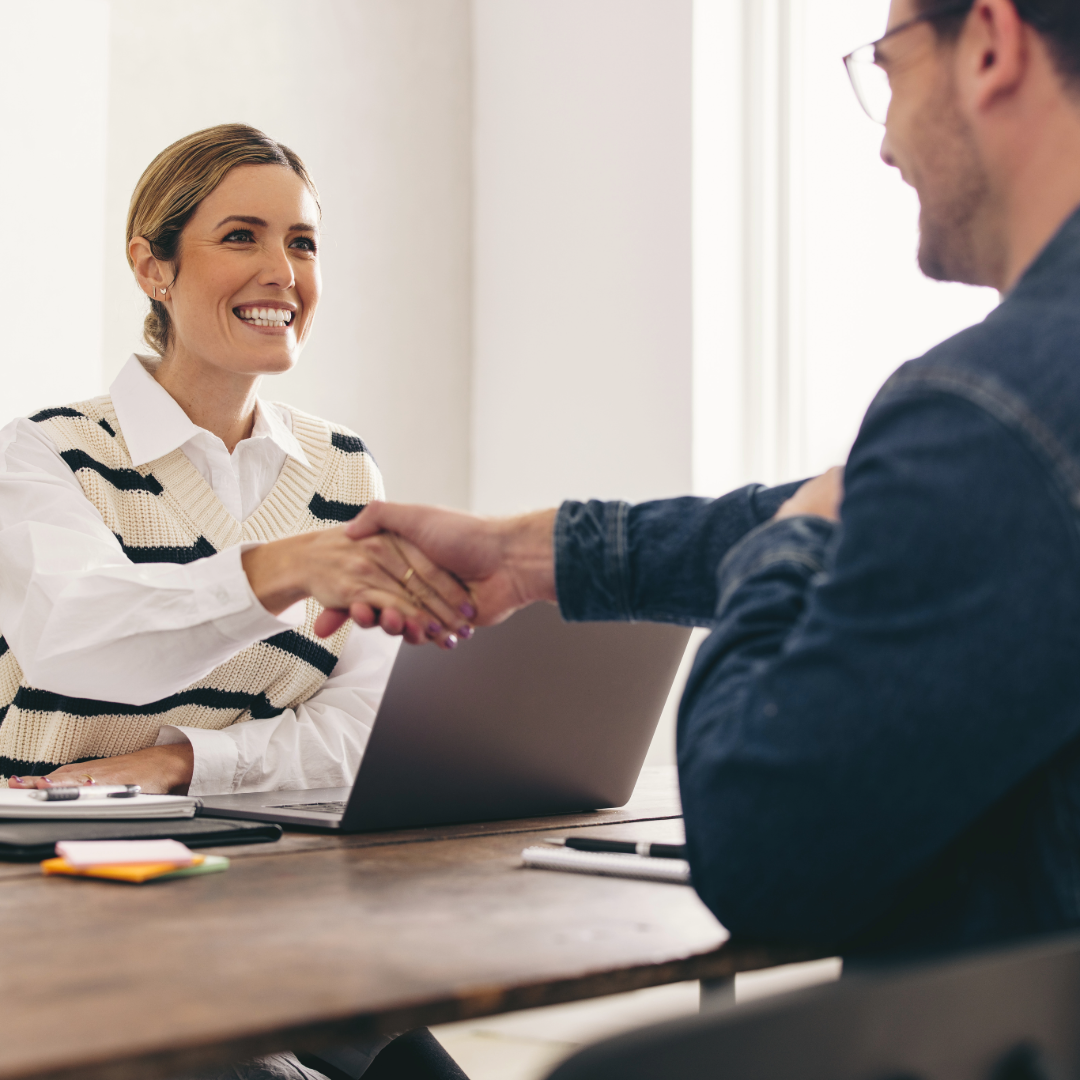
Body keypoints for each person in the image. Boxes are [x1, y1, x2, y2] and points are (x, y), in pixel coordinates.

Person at [333, 0, 1080, 958]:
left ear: (990, 43)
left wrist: (793, 543)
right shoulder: (999, 430)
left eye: (888, 69)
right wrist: (531, 556)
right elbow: (905, 520)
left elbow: (767, 847)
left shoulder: (988, 412)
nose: (886, 143)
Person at [0, 123, 469, 1080]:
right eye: (241, 236)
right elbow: (78, 644)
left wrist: (181, 761)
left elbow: (357, 735)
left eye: (302, 242)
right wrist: (281, 568)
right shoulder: (44, 457)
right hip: (55, 901)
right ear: (153, 267)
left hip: (266, 889)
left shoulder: (346, 472)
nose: (282, 271)